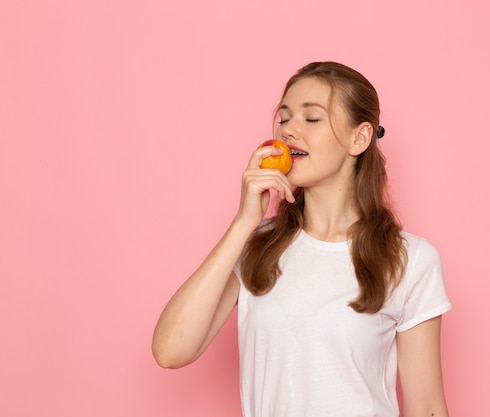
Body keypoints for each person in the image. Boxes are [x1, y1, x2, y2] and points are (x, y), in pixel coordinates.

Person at [152, 61, 452, 417]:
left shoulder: (410, 259)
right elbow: (170, 351)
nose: (289, 131)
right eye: (284, 118)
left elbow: (427, 407)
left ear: (360, 138)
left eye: (311, 119)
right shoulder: (255, 246)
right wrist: (243, 223)